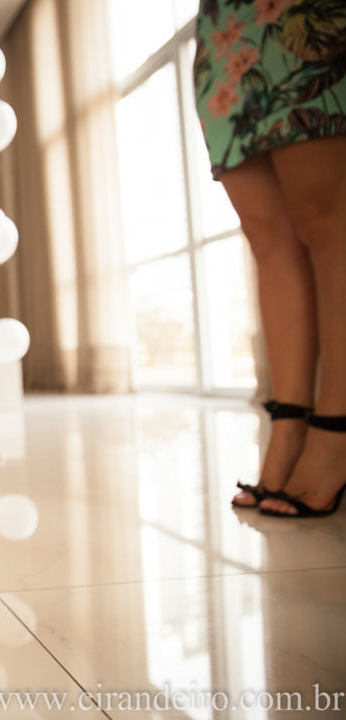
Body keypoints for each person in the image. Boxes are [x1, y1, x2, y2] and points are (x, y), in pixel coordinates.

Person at [194, 4, 346, 516]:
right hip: (225, 22)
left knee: (326, 217)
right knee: (265, 235)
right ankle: (289, 426)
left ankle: (337, 430)